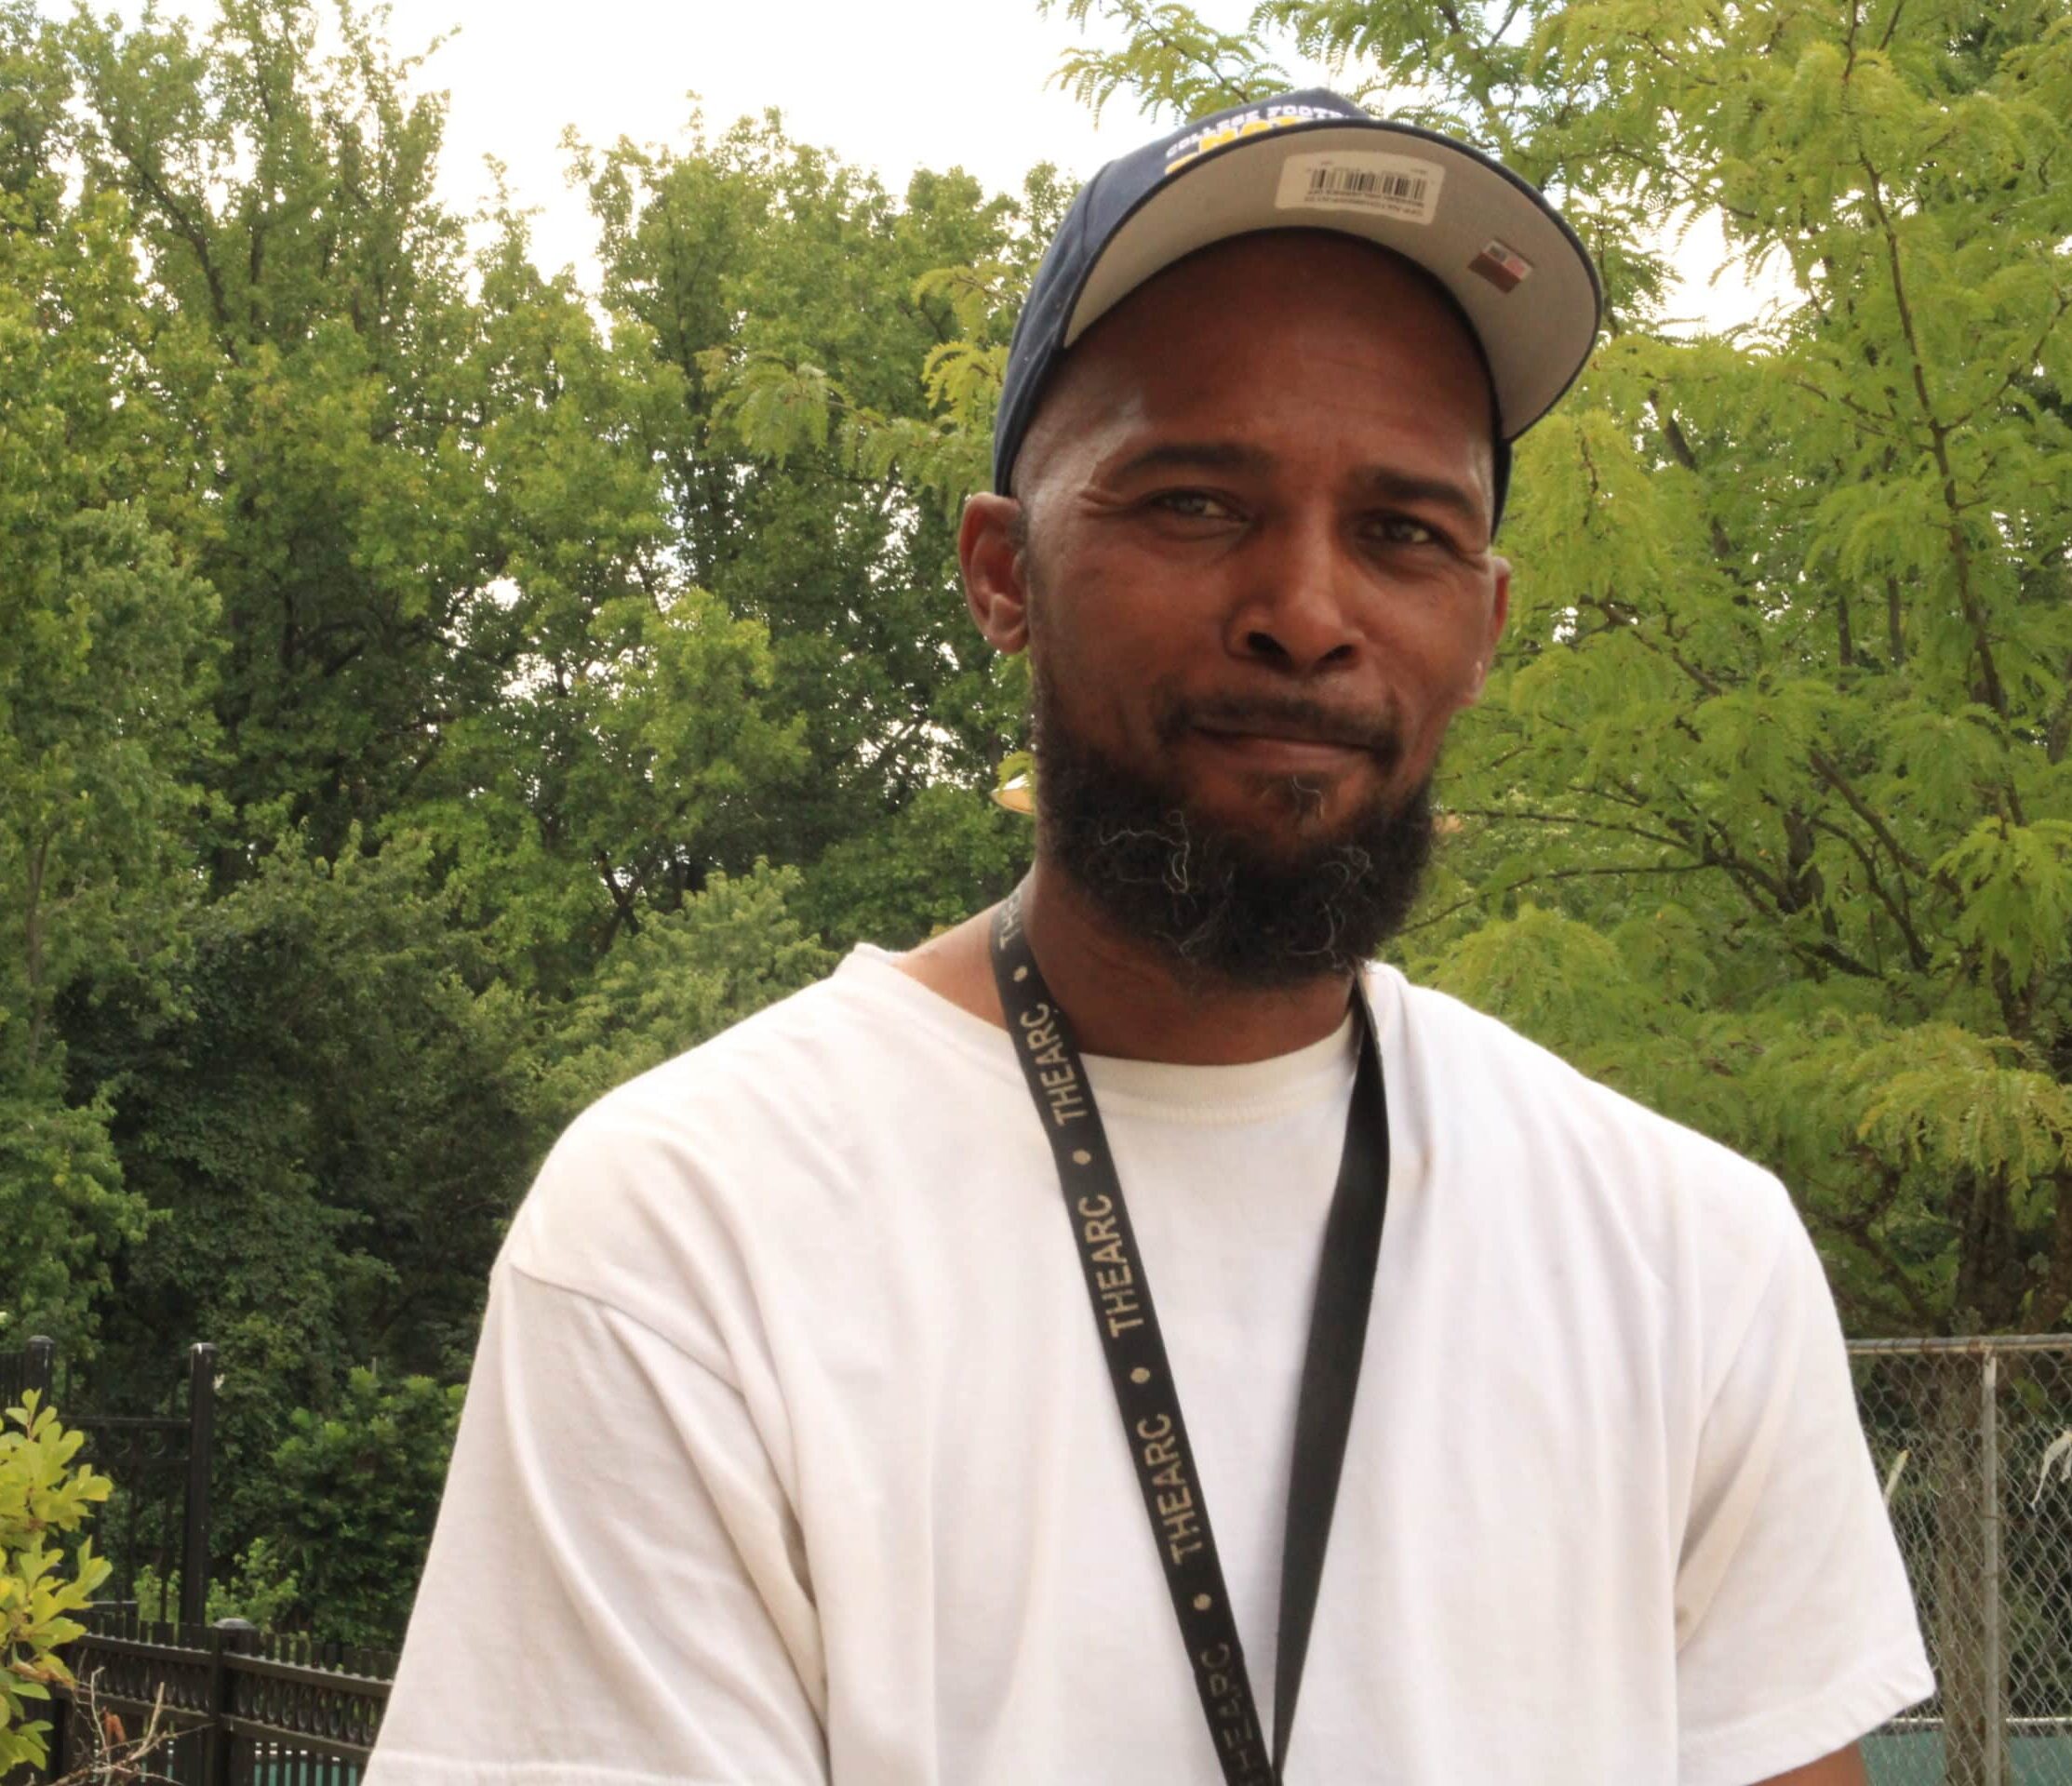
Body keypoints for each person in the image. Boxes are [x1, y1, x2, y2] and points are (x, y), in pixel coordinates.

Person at [367, 91, 1933, 1786]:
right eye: (1193, 503)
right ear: (1001, 571)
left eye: (1403, 531)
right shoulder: (692, 1238)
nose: (1310, 612)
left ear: (1481, 628)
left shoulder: (1686, 1254)